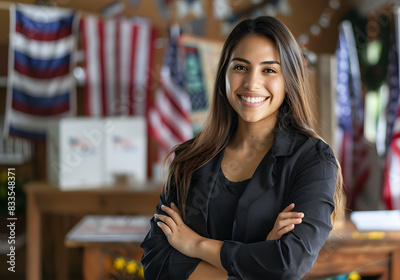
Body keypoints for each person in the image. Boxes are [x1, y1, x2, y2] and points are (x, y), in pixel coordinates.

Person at [141, 16, 345, 280]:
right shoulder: (188, 159)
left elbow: (288, 263)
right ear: (224, 73)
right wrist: (258, 262)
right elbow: (156, 263)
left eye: (269, 70)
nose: (251, 83)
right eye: (241, 67)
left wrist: (195, 245)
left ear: (289, 79)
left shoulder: (313, 160)